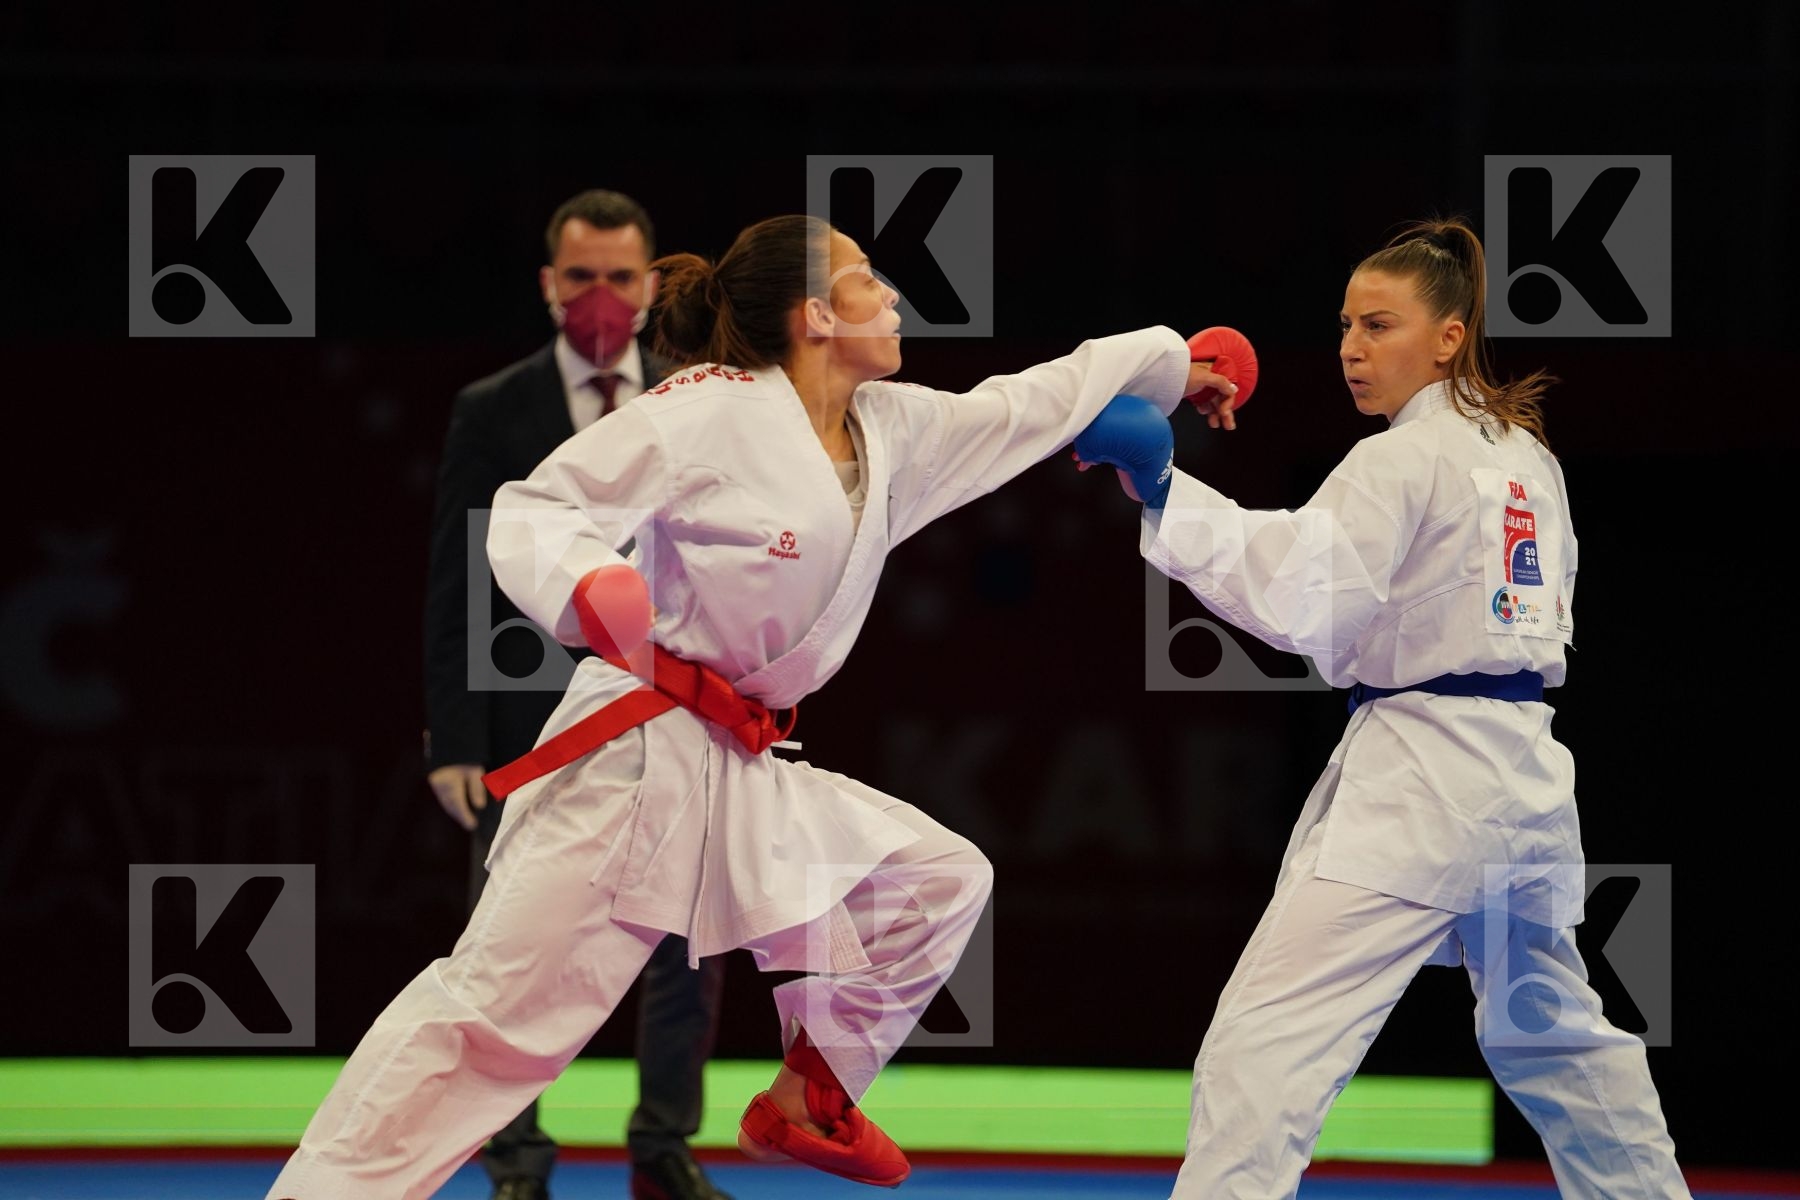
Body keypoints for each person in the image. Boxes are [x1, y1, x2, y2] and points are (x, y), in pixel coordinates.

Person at [269, 212, 1235, 1199]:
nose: (892, 298)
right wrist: (585, 588)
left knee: (938, 883)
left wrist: (1172, 363)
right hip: (632, 755)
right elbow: (535, 509)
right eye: (867, 280)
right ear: (815, 313)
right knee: (494, 1026)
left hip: (742, 764)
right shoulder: (712, 409)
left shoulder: (897, 431)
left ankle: (809, 1098)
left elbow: (1038, 399)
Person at [1072, 218, 1691, 1199]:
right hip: (1525, 780)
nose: (1354, 349)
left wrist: (1159, 485)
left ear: (1449, 335)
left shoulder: (1401, 460)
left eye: (1381, 325)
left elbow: (1302, 597)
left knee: (1265, 1044)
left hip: (1425, 781)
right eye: (1347, 326)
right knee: (1557, 1041)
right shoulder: (1526, 458)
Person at [421, 189, 730, 1200]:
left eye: (620, 278)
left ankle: (663, 1149)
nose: (601, 296)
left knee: (687, 944)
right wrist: (454, 738)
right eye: (582, 276)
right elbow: (460, 575)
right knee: (513, 950)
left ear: (650, 289)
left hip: (676, 714)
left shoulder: (697, 405)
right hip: (530, 720)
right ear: (550, 283)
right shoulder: (494, 408)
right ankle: (515, 1158)